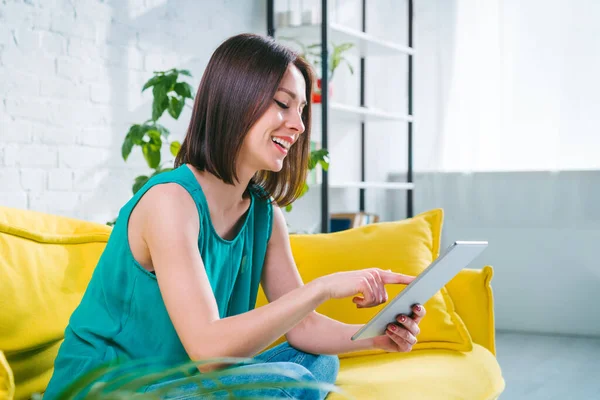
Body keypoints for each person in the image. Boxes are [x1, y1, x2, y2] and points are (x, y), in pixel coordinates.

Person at [43, 33, 426, 400]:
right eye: (282, 103)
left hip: (183, 387)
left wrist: (377, 335)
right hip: (111, 391)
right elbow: (210, 352)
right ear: (235, 101)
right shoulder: (171, 202)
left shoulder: (265, 215)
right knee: (291, 378)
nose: (299, 125)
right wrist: (323, 287)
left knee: (317, 363)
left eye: (302, 110)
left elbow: (303, 329)